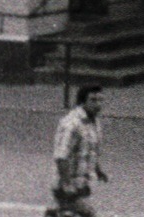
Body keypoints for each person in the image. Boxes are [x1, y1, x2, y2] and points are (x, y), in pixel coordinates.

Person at [47, 85, 107, 217]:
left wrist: (97, 169)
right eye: (93, 100)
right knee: (88, 214)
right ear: (82, 102)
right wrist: (67, 184)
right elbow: (61, 156)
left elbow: (90, 150)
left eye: (100, 100)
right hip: (68, 185)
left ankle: (54, 212)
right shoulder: (72, 124)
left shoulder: (94, 121)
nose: (98, 104)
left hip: (82, 184)